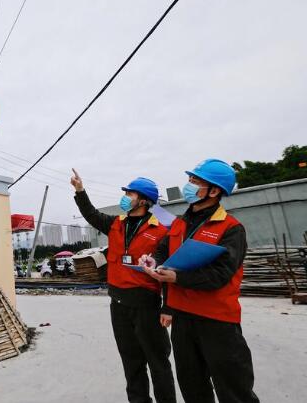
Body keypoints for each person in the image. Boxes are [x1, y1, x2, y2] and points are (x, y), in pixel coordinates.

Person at [140, 159, 259, 403]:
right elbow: (164, 250)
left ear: (214, 191)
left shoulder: (231, 228)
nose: (189, 185)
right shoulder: (180, 224)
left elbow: (220, 275)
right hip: (183, 319)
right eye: (190, 180)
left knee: (234, 390)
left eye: (195, 181)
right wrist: (154, 262)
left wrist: (178, 277)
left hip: (217, 321)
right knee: (193, 388)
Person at [71, 169, 176, 403]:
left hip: (147, 306)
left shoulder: (161, 230)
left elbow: (168, 271)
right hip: (118, 305)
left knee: (158, 362)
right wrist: (80, 191)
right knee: (131, 361)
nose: (125, 197)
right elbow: (91, 214)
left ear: (144, 200)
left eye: (130, 193)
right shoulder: (116, 223)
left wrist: (168, 307)